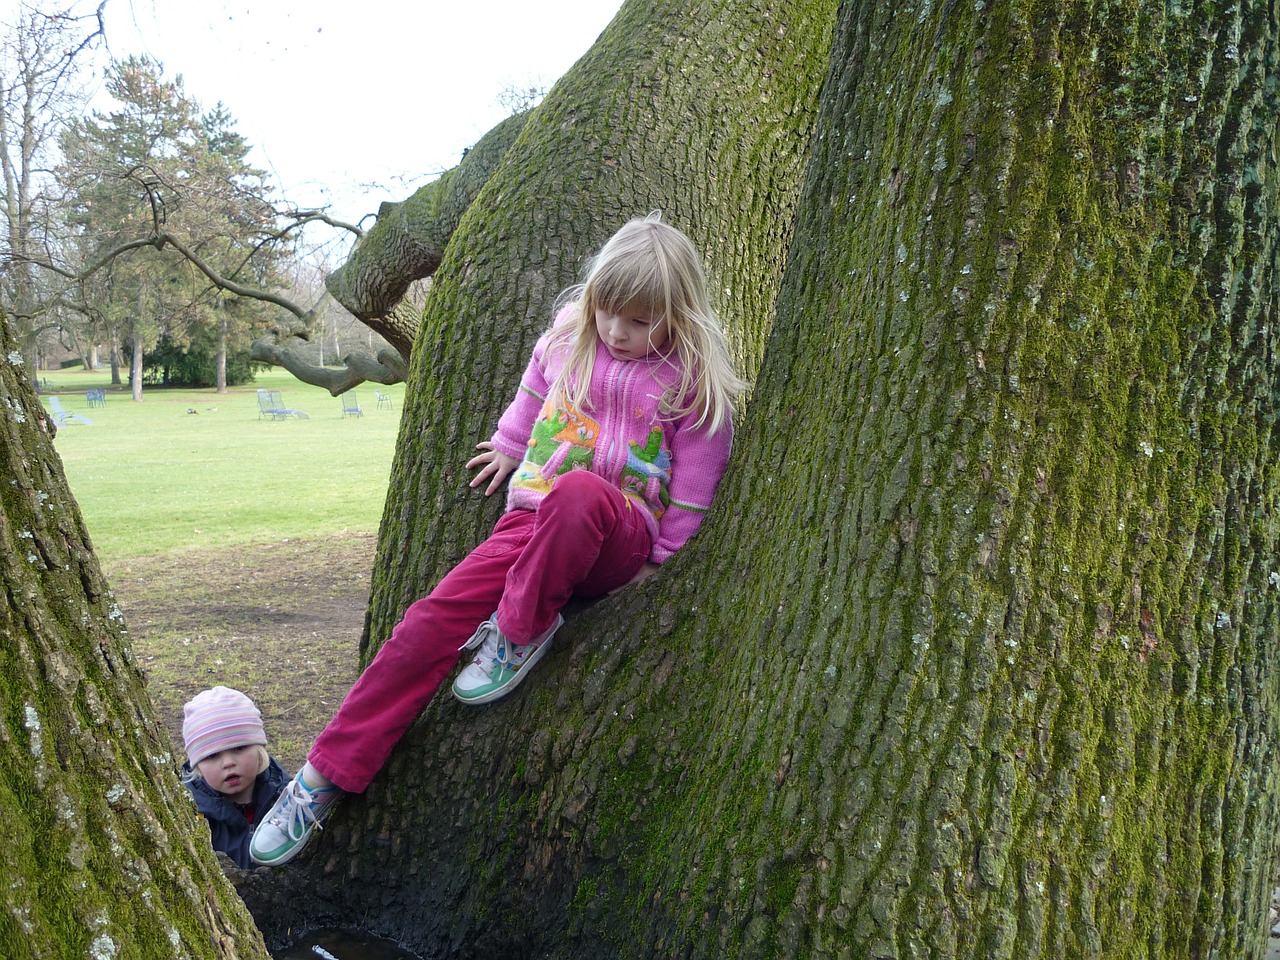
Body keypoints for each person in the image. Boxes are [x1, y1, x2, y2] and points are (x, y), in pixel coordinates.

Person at [250, 213, 745, 867]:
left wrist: (663, 562)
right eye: (611, 315)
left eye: (641, 321)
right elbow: (533, 390)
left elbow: (693, 491)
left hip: (617, 533)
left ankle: (519, 630)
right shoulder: (569, 338)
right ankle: (321, 778)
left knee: (580, 494)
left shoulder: (690, 381)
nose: (619, 334)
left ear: (677, 315)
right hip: (530, 523)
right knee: (426, 622)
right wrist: (512, 445)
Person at [180, 686, 288, 869]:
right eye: (213, 756)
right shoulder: (189, 816)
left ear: (258, 749)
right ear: (197, 765)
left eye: (239, 748)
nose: (228, 762)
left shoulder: (289, 800)